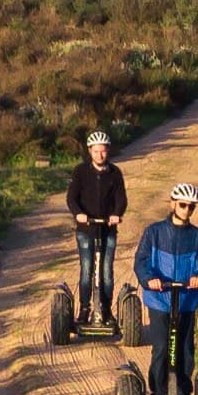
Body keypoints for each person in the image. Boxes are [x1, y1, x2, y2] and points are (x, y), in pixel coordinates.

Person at [132, 181, 198, 395]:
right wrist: (149, 279)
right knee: (161, 348)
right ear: (173, 204)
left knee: (185, 350)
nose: (187, 210)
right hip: (160, 300)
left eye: (191, 207)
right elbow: (141, 261)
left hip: (186, 300)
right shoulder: (154, 232)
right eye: (183, 205)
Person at [65, 128, 126, 324]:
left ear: (108, 151)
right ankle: (84, 309)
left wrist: (116, 214)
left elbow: (121, 199)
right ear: (89, 151)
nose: (100, 155)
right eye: (96, 151)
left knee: (106, 272)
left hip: (108, 229)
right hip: (86, 229)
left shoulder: (115, 173)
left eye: (103, 151)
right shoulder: (80, 171)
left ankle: (106, 311)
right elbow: (71, 198)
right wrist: (79, 214)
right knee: (87, 269)